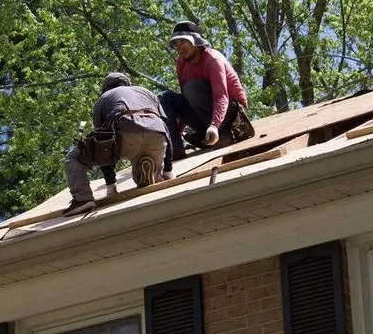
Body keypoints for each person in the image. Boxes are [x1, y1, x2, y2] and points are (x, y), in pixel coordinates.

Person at [63, 72, 173, 216]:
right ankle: (153, 173)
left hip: (126, 134)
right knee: (144, 179)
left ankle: (83, 200)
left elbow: (102, 141)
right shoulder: (146, 92)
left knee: (73, 158)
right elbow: (167, 130)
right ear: (128, 85)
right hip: (157, 135)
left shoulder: (103, 99)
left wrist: (111, 185)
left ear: (105, 89)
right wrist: (169, 172)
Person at [159, 21, 251, 161]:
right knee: (167, 98)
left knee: (193, 87)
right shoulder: (181, 63)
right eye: (176, 44)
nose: (179, 48)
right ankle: (175, 148)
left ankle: (223, 133)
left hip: (232, 115)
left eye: (183, 42)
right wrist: (178, 130)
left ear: (195, 41)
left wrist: (214, 126)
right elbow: (186, 99)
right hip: (206, 117)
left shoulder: (213, 59)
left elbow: (221, 96)